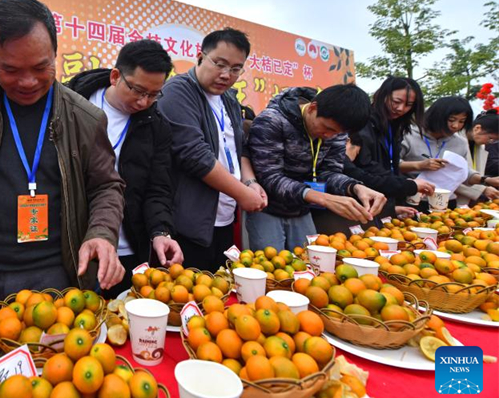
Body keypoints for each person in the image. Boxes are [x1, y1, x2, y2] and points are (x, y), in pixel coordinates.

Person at [0, 0, 125, 325]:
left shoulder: (85, 117)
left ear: (55, 52)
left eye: (41, 67)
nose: (27, 82)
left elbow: (107, 186)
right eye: (9, 69)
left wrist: (101, 234)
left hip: (58, 279)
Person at [67, 39, 183, 298]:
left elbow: (158, 188)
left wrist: (160, 231)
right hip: (69, 246)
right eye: (137, 90)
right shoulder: (71, 105)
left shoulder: (156, 127)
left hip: (125, 250)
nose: (143, 102)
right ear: (116, 76)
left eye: (154, 95)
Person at [158, 28, 267, 271]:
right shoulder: (178, 92)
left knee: (222, 294)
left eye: (236, 68)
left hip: (225, 218)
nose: (227, 75)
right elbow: (194, 155)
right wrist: (241, 192)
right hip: (188, 223)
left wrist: (249, 183)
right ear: (200, 57)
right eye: (220, 64)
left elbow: (239, 148)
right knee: (189, 296)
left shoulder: (229, 99)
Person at [247, 85, 387, 251]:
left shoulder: (337, 130)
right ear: (312, 108)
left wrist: (355, 187)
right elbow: (270, 177)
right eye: (327, 128)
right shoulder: (272, 121)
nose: (330, 136)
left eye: (338, 133)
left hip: (302, 209)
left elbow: (329, 172)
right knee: (270, 268)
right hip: (267, 207)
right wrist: (323, 198)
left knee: (310, 262)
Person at [343, 76, 436, 213]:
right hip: (359, 204)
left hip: (380, 204)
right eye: (396, 101)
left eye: (409, 105)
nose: (401, 108)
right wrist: (406, 185)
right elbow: (362, 171)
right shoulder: (362, 124)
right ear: (382, 95)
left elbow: (387, 169)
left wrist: (392, 207)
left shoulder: (395, 127)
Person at [400, 96, 498, 209]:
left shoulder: (460, 142)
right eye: (451, 120)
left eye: (462, 121)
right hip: (410, 200)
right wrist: (419, 165)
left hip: (444, 202)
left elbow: (462, 172)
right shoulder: (408, 135)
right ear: (436, 116)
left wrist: (486, 180)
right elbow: (391, 165)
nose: (455, 126)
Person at [457, 110, 499, 204]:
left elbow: (474, 175)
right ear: (477, 128)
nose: (490, 142)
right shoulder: (455, 141)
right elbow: (451, 176)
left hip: (467, 203)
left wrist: (487, 183)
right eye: (491, 138)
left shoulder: (481, 147)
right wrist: (482, 189)